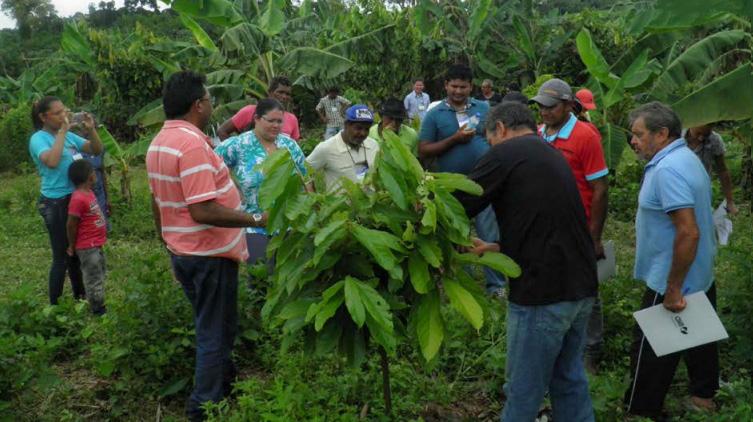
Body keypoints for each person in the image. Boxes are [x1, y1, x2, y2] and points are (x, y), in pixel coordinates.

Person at [457, 102, 597, 422]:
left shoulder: (506, 153)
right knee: (569, 379)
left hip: (542, 293)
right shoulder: (549, 153)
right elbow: (546, 222)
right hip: (581, 287)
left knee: (523, 388)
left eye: (490, 139)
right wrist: (495, 246)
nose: (490, 147)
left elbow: (459, 201)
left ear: (501, 129)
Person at [146, 70, 267, 421]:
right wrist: (257, 220)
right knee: (212, 331)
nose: (212, 104)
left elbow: (158, 201)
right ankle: (202, 408)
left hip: (186, 250)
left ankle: (225, 384)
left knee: (219, 324)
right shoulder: (192, 145)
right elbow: (202, 209)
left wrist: (167, 242)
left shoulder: (160, 142)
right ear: (198, 104)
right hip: (207, 254)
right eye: (210, 99)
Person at [624, 102, 718, 420]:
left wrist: (673, 287)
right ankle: (704, 395)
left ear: (661, 134)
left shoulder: (667, 169)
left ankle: (641, 410)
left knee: (649, 350)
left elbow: (688, 232)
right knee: (700, 333)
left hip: (671, 273)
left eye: (638, 135)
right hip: (700, 270)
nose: (633, 141)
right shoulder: (685, 157)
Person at [531, 79, 609, 368]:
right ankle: (558, 342)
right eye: (540, 107)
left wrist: (595, 236)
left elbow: (600, 188)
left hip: (579, 225)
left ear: (568, 105)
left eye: (550, 107)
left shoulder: (585, 136)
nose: (545, 112)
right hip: (547, 226)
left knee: (586, 286)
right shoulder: (539, 134)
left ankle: (592, 348)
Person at [418, 63, 505, 296]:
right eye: (454, 86)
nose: (458, 91)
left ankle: (496, 286)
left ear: (471, 87)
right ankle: (460, 283)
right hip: (452, 186)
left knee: (489, 231)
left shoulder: (483, 108)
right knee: (458, 234)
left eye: (463, 87)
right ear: (446, 85)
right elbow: (424, 149)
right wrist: (454, 140)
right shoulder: (435, 115)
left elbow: (496, 136)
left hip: (484, 184)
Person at [29, 96, 104, 305]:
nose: (64, 116)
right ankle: (55, 305)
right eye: (58, 113)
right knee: (61, 256)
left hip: (74, 199)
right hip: (55, 202)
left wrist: (91, 130)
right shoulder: (38, 139)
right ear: (43, 117)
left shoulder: (70, 136)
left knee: (76, 252)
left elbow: (95, 149)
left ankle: (80, 298)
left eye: (65, 111)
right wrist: (62, 131)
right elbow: (52, 162)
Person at [215, 98, 308, 266]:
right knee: (261, 276)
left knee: (289, 274)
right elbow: (210, 166)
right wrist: (232, 186)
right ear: (257, 119)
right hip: (254, 224)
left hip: (290, 223)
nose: (276, 126)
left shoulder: (289, 146)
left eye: (279, 121)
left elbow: (306, 179)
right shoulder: (238, 145)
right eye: (271, 120)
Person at [65, 159, 108, 315]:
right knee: (93, 277)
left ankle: (99, 301)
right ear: (88, 176)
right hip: (87, 246)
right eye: (92, 171)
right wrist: (71, 244)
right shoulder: (77, 198)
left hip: (96, 244)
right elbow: (71, 224)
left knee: (100, 272)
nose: (95, 173)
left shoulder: (89, 193)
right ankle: (98, 308)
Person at [307, 104, 379, 191]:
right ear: (346, 125)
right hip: (340, 204)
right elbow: (304, 173)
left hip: (370, 203)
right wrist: (313, 200)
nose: (363, 133)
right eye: (358, 128)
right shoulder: (326, 148)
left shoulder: (374, 145)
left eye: (366, 129)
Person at [216, 76, 300, 142]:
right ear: (270, 92)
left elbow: (294, 147)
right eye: (280, 92)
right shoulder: (249, 111)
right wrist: (236, 152)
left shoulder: (292, 119)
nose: (284, 97)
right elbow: (222, 131)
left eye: (288, 94)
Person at [684, 124, 738, 215]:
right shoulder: (676, 137)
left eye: (705, 135)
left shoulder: (714, 140)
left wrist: (730, 201)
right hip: (679, 190)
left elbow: (722, 170)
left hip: (702, 192)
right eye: (698, 133)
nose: (700, 138)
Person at [81, 150, 111, 231]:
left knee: (101, 224)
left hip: (99, 193)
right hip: (84, 194)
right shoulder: (73, 149)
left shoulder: (98, 149)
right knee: (89, 225)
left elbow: (102, 173)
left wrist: (107, 197)